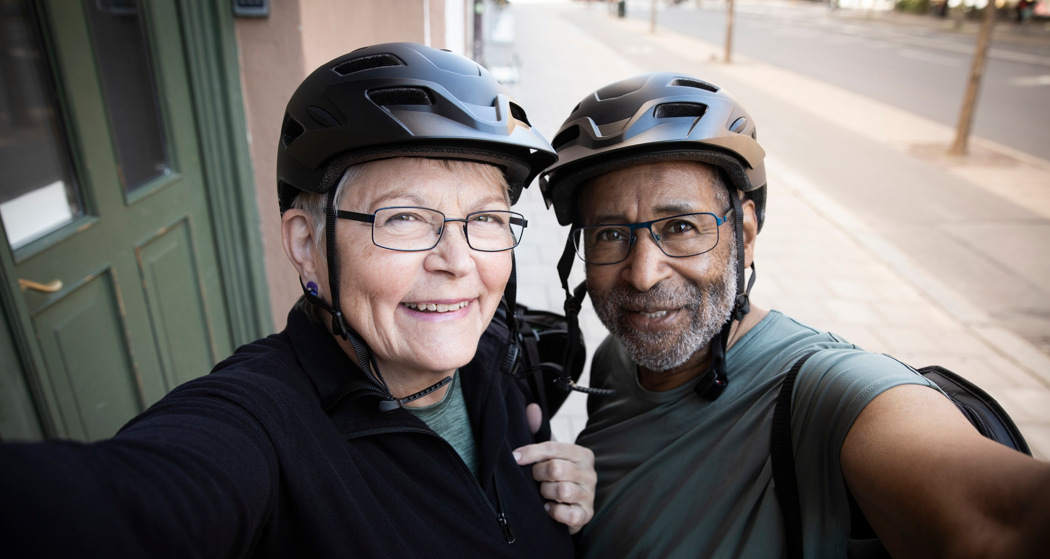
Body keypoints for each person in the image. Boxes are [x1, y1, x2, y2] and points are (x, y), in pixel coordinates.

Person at [0, 43, 595, 558]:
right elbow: (134, 506)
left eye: (486, 218)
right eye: (406, 217)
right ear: (307, 246)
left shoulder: (502, 352)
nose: (459, 262)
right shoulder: (265, 424)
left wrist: (567, 489)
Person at [538, 72, 1050, 558]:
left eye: (680, 227)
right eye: (610, 234)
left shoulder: (827, 392)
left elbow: (1000, 521)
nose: (643, 274)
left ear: (745, 234)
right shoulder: (617, 357)